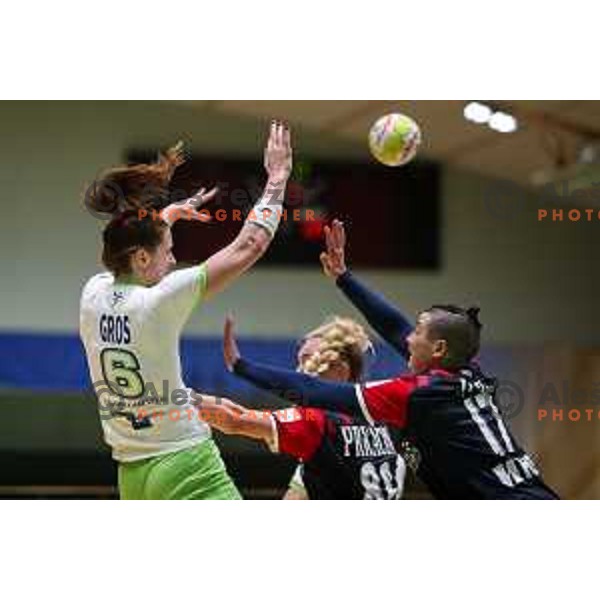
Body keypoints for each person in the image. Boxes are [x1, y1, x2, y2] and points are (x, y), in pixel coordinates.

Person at [221, 220, 559, 499]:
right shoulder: (465, 372)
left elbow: (316, 392)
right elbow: (395, 326)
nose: (407, 337)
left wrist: (242, 366)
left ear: (438, 349)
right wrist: (343, 277)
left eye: (418, 332)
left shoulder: (413, 395)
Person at [79, 121, 293, 499]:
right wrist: (277, 178)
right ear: (142, 256)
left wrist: (165, 219)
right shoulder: (159, 300)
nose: (174, 260)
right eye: (168, 252)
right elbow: (250, 246)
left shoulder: (92, 294)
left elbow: (126, 247)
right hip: (184, 462)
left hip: (132, 473)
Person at [197, 316, 406, 500]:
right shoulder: (379, 419)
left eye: (310, 362)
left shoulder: (316, 421)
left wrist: (177, 397)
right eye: (299, 362)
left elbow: (235, 420)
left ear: (342, 371)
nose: (297, 375)